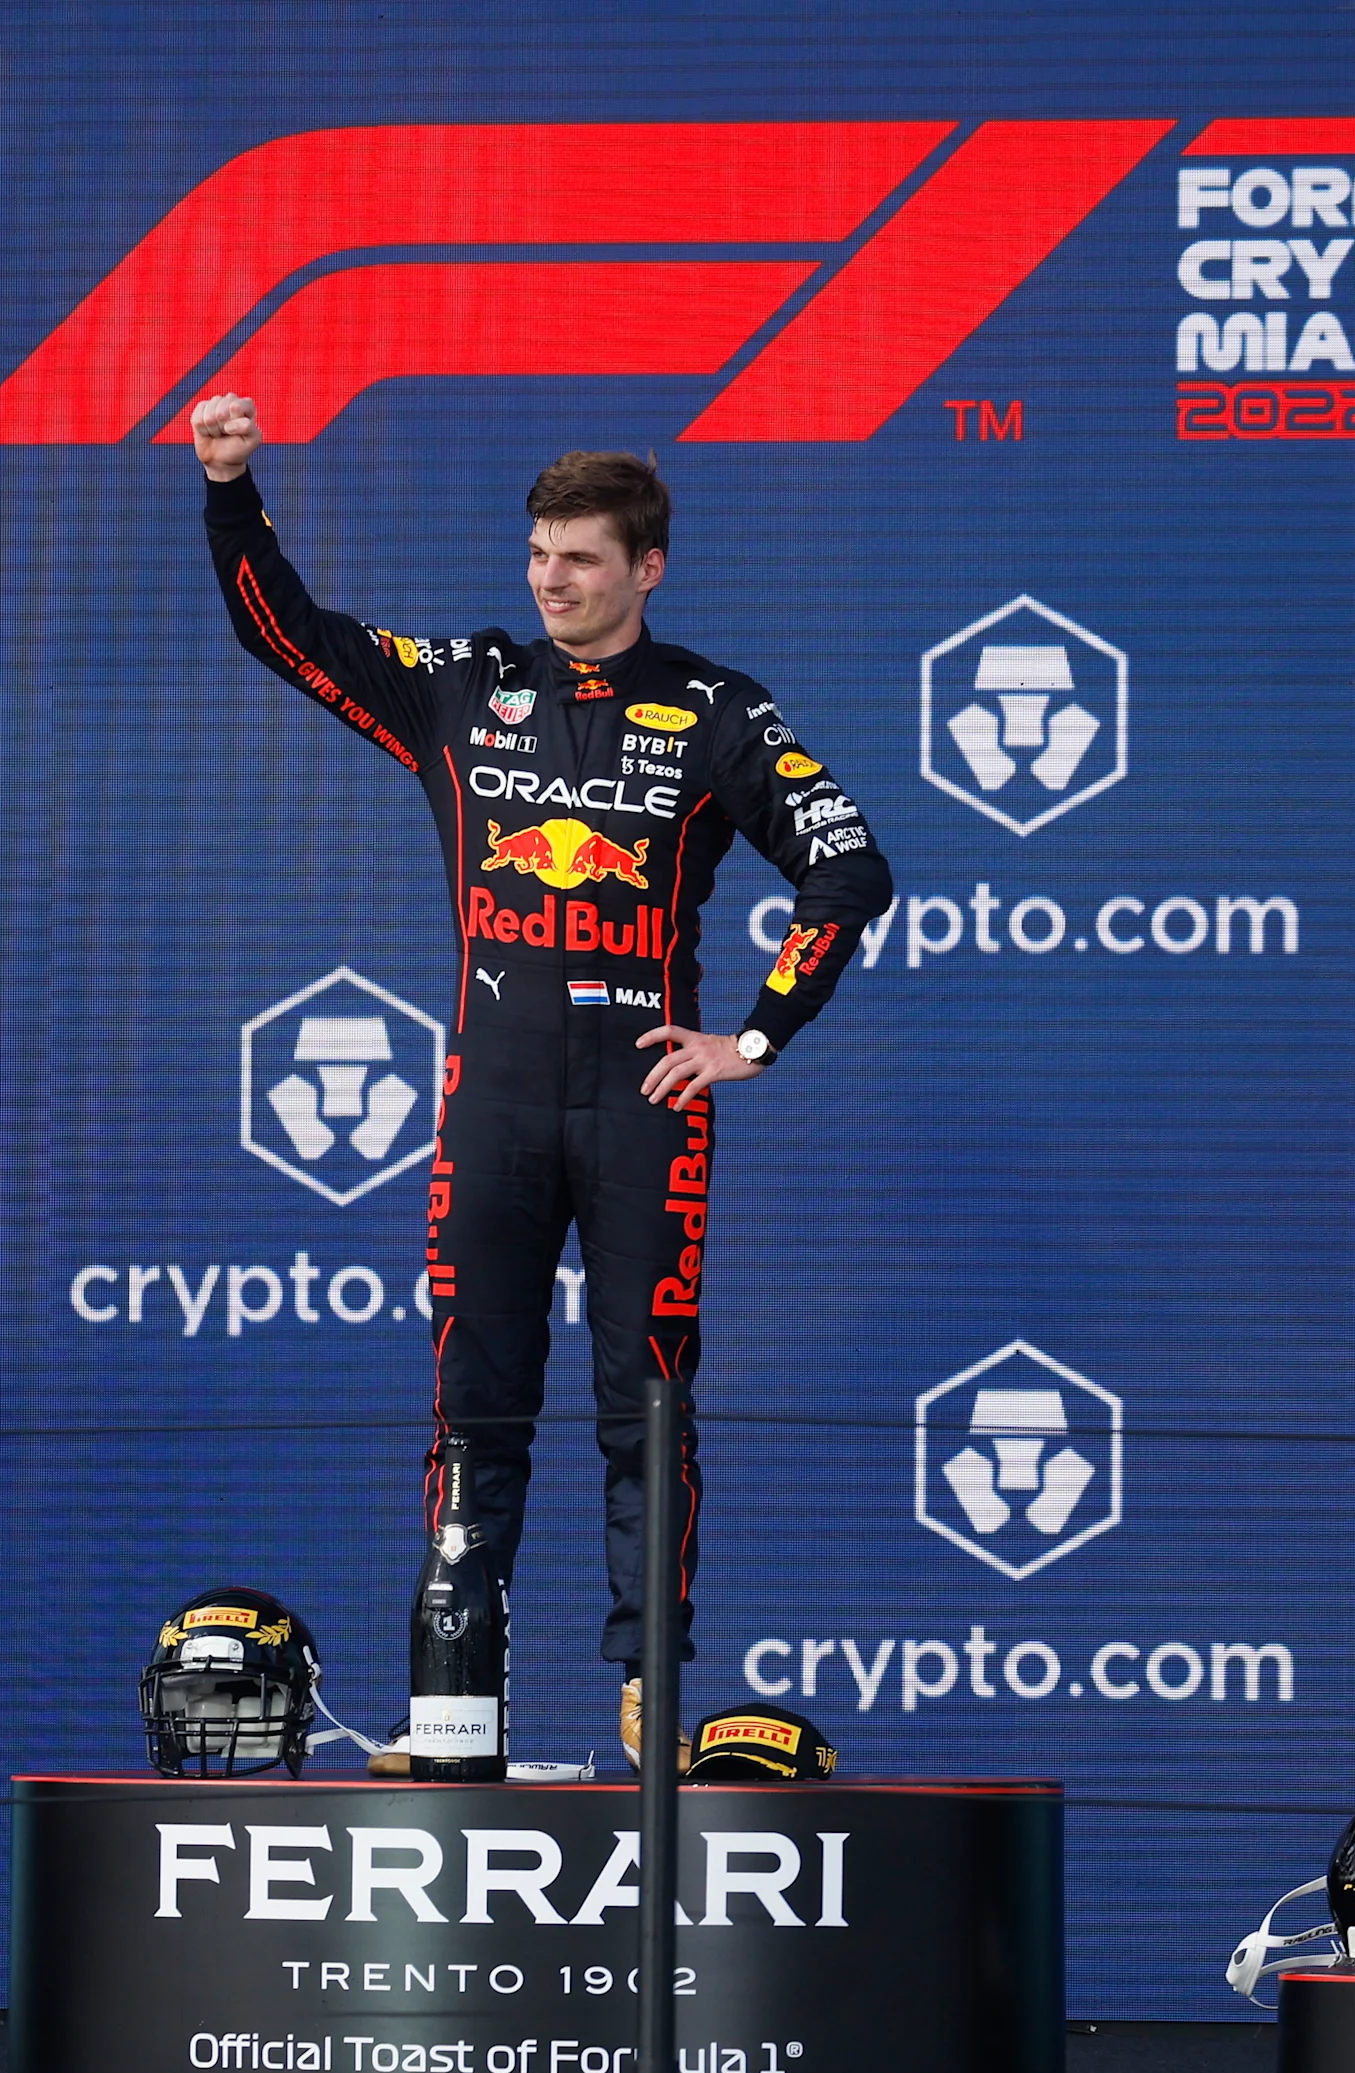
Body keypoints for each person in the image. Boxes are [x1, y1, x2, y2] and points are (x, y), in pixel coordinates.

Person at [192, 394, 893, 1770]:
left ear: (647, 568)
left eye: (579, 557)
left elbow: (849, 864)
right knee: (476, 1400)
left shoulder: (715, 708)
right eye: (538, 554)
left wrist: (749, 1039)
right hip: (492, 1107)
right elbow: (289, 633)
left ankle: (652, 1704)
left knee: (648, 1399)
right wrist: (231, 488)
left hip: (643, 1115)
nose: (550, 578)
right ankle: (455, 1711)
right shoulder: (465, 684)